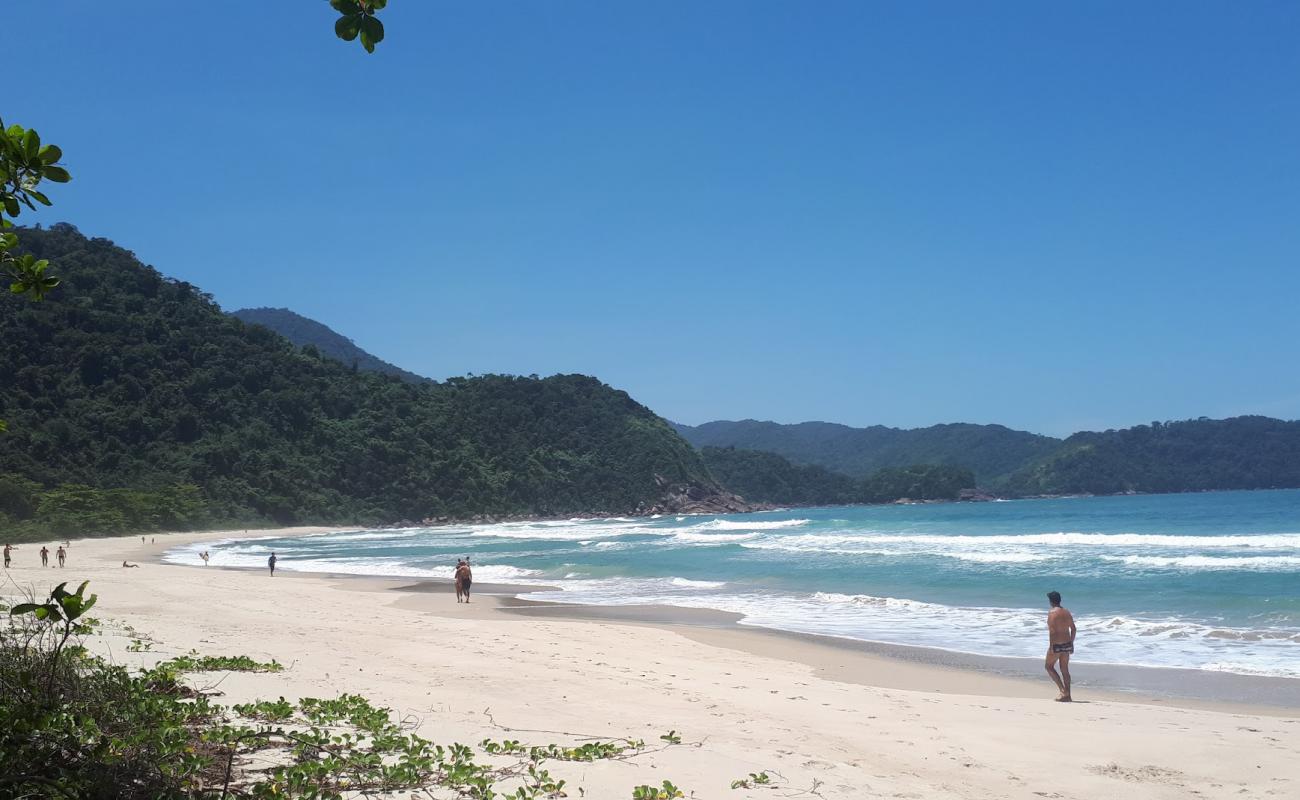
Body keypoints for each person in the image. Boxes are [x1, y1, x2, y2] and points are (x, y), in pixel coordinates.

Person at [1044, 590, 1077, 702]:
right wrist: (1071, 643)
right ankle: (1068, 695)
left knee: (1048, 666)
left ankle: (1063, 691)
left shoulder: (1052, 613)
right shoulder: (1066, 612)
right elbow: (1073, 629)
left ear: (1051, 601)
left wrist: (1052, 646)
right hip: (1067, 644)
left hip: (1057, 645)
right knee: (1064, 669)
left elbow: (1052, 631)